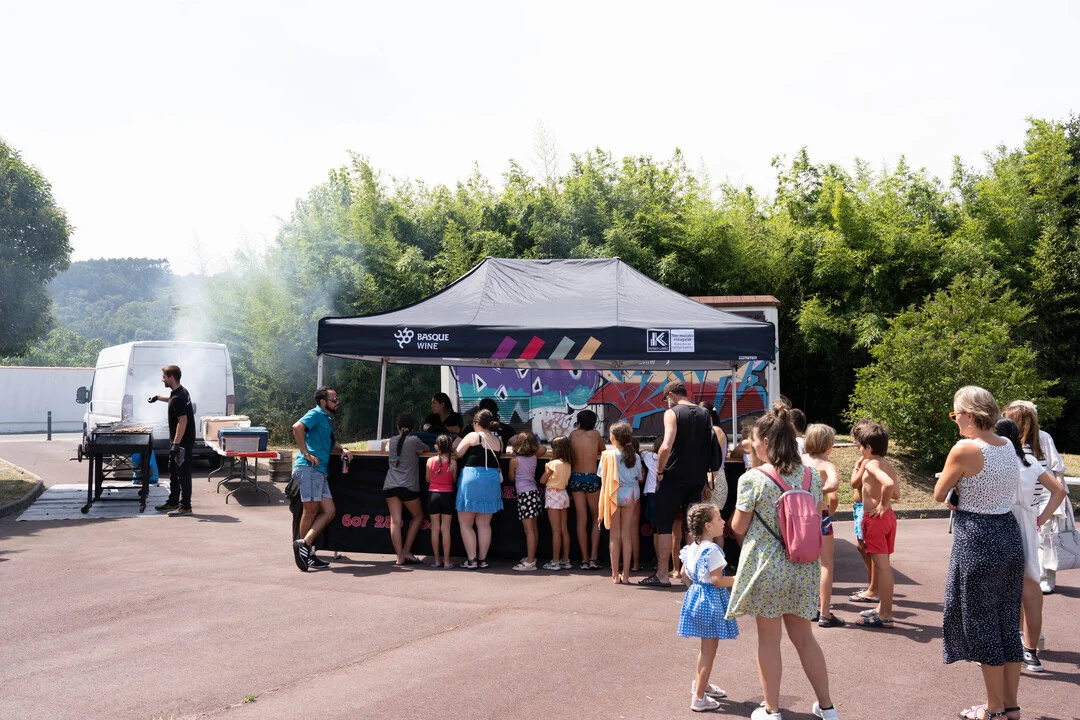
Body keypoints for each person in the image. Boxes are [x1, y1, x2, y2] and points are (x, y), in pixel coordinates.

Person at [727, 404, 839, 720]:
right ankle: (828, 708)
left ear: (765, 442)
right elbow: (818, 513)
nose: (751, 446)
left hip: (767, 567)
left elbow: (738, 526)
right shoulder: (810, 477)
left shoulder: (753, 478)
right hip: (803, 566)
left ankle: (772, 710)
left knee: (769, 640)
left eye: (753, 441)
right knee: (805, 639)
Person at [933, 386, 1024, 720]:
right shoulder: (1007, 445)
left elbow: (939, 493)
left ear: (969, 415)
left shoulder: (965, 448)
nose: (955, 420)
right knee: (1006, 621)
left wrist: (956, 485)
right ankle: (1010, 705)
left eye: (955, 414)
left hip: (978, 538)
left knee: (982, 621)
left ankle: (994, 708)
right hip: (1009, 534)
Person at [995, 417, 1066, 673]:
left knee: (999, 588)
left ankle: (1004, 646)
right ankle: (1030, 651)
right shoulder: (1030, 460)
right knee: (1031, 588)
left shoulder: (992, 460)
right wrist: (1040, 518)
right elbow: (1059, 491)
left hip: (998, 522)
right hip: (1026, 522)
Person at [640, 380, 711, 588]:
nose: (666, 402)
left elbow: (666, 446)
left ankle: (662, 574)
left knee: (664, 525)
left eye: (665, 399)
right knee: (691, 526)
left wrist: (660, 471)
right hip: (697, 476)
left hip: (673, 475)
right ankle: (690, 573)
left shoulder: (672, 413)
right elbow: (709, 446)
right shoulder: (704, 413)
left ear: (671, 394)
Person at [1002, 401, 1068, 595]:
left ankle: (1044, 580)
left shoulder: (1041, 438)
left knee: (1044, 540)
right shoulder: (1014, 444)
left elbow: (1057, 468)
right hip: (1031, 497)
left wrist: (1054, 508)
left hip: (1039, 496)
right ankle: (1034, 581)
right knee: (1032, 546)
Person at [678, 503, 739, 713]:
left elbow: (683, 574)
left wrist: (695, 591)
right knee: (709, 651)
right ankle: (698, 697)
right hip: (711, 602)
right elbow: (717, 580)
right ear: (707, 525)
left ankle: (701, 684)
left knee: (706, 648)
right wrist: (740, 579)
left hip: (697, 598)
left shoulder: (691, 548)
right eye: (719, 519)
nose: (723, 522)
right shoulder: (713, 550)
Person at [290, 386, 352, 572]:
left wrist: (343, 449)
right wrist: (306, 453)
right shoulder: (316, 414)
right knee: (310, 511)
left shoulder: (325, 418)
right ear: (323, 402)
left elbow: (328, 444)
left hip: (319, 472)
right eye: (334, 400)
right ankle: (304, 553)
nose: (337, 402)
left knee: (329, 511)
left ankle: (305, 545)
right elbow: (297, 427)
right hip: (309, 469)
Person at [851, 420, 898, 629]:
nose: (859, 449)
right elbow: (896, 492)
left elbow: (888, 485)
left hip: (876, 518)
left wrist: (881, 504)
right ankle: (882, 609)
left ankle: (885, 614)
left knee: (883, 568)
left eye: (861, 446)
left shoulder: (870, 464)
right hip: (888, 518)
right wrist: (885, 501)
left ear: (868, 447)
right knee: (884, 565)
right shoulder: (888, 465)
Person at [802, 423, 844, 628]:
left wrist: (805, 493)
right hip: (820, 516)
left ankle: (808, 607)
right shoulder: (826, 464)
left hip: (800, 518)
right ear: (828, 445)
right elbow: (834, 484)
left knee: (804, 562)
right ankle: (825, 613)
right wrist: (818, 491)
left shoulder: (799, 461)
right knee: (826, 564)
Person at [454, 408, 504, 569]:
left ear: (476, 423)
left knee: (466, 523)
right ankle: (482, 560)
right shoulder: (499, 441)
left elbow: (458, 453)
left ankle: (472, 559)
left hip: (473, 478)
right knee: (484, 524)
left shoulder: (472, 436)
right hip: (492, 480)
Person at [599, 421, 641, 584]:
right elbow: (639, 476)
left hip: (613, 493)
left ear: (613, 438)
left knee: (614, 536)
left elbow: (602, 476)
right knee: (627, 535)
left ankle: (615, 575)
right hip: (629, 494)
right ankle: (627, 575)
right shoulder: (635, 456)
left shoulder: (607, 456)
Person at [151, 365, 196, 517]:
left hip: (182, 443)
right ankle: (173, 502)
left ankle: (186, 507)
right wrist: (158, 398)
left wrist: (176, 444)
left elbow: (183, 421)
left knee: (183, 474)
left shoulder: (178, 397)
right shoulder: (181, 391)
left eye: (164, 377)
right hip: (180, 441)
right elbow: (172, 400)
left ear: (171, 377)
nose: (162, 379)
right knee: (174, 472)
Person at [383, 413, 426, 567]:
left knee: (395, 521)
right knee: (418, 516)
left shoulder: (392, 440)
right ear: (413, 428)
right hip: (408, 486)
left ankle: (399, 556)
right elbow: (426, 449)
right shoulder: (414, 440)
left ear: (397, 427)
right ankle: (407, 551)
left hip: (390, 484)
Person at [569, 409, 607, 570]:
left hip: (575, 478)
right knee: (596, 519)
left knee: (581, 519)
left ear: (578, 423)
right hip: (591, 478)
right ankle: (593, 558)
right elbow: (604, 452)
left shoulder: (572, 435)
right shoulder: (596, 435)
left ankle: (584, 560)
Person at [509, 431, 543, 572]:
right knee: (534, 528)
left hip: (524, 495)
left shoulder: (514, 461)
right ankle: (532, 557)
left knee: (528, 530)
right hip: (534, 492)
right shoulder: (534, 456)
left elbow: (511, 478)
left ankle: (530, 562)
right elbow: (543, 448)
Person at [540, 435, 572, 570]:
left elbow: (542, 480)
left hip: (553, 494)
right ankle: (566, 560)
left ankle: (555, 561)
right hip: (563, 494)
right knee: (564, 529)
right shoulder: (568, 463)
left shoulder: (552, 464)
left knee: (556, 531)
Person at [426, 434, 457, 569]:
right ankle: (447, 561)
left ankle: (437, 560)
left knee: (435, 529)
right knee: (446, 530)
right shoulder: (453, 462)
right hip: (447, 496)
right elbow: (454, 480)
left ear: (436, 447)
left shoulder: (429, 461)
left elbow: (427, 479)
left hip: (433, 495)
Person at [700, 403, 729, 509]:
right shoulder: (716, 430)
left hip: (713, 478)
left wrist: (709, 483)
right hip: (713, 477)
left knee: (710, 514)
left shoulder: (715, 431)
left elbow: (716, 458)